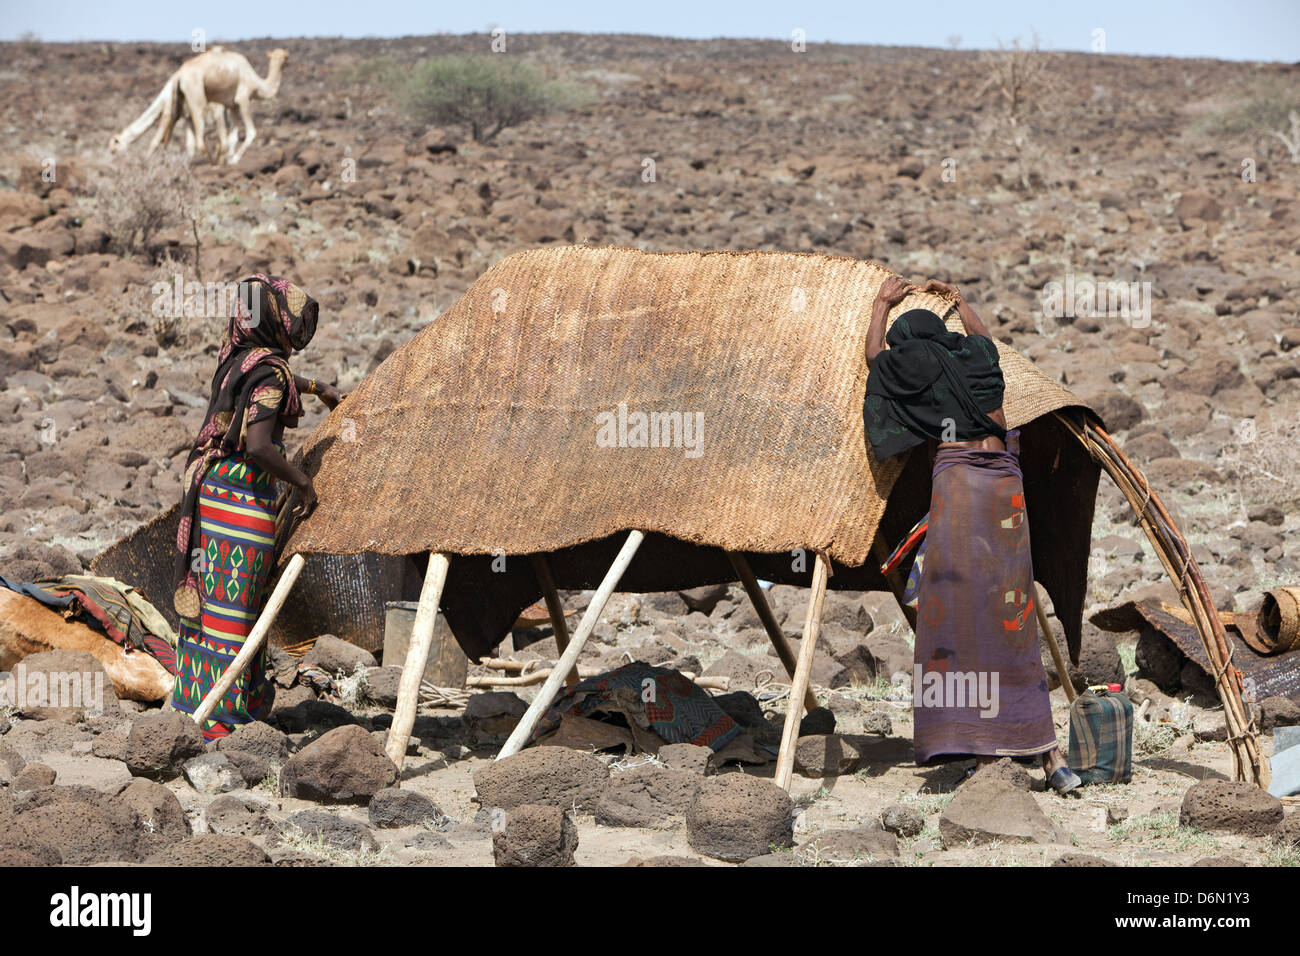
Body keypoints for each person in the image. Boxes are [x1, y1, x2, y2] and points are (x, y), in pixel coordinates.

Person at [864, 275, 1081, 795]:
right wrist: (960, 301)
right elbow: (984, 334)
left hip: (960, 485)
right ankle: (1049, 756)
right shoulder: (978, 354)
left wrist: (879, 305)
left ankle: (981, 749)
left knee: (958, 619)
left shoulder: (913, 361)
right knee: (1012, 615)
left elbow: (875, 356)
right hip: (1006, 484)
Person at [170, 274, 344, 740]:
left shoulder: (237, 358)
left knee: (211, 606)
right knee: (237, 606)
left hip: (211, 491)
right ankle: (223, 718)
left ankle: (194, 702)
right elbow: (259, 446)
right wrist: (304, 483)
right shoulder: (270, 372)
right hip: (241, 502)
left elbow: (261, 382)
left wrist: (315, 386)